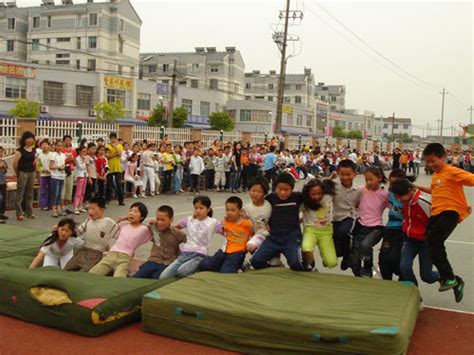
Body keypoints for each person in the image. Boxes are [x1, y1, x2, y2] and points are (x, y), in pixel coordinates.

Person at [417, 143, 474, 299]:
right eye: (427, 162)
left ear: (444, 157)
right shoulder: (436, 176)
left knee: (434, 240)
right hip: (436, 213)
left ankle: (448, 277)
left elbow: (472, 179)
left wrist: (463, 207)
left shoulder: (452, 171)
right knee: (429, 243)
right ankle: (454, 280)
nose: (430, 164)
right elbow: (435, 190)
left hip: (450, 213)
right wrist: (416, 187)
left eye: (433, 161)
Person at [390, 179, 441, 294]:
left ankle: (447, 276)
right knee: (404, 267)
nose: (398, 200)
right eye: (396, 197)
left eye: (399, 197)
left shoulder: (424, 203)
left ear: (408, 192)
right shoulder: (406, 201)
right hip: (409, 240)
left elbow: (439, 220)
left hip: (425, 243)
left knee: (427, 276)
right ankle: (415, 294)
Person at [251, 173, 306, 271]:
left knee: (296, 264)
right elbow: (259, 209)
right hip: (273, 238)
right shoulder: (270, 199)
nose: (283, 193)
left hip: (292, 238)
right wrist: (264, 224)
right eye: (280, 189)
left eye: (286, 190)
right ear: (275, 188)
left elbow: (312, 198)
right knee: (256, 261)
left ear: (292, 189)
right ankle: (275, 266)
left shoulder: (297, 197)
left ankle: (309, 264)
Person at [160, 196, 223, 279]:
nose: (198, 210)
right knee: (163, 277)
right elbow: (174, 228)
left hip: (199, 255)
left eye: (201, 208)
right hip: (185, 253)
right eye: (196, 208)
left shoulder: (213, 222)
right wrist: (159, 224)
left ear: (208, 209)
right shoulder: (189, 220)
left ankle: (202, 265)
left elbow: (225, 233)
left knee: (182, 272)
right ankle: (190, 269)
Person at [89, 202, 151, 277]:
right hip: (112, 254)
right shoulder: (123, 224)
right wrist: (123, 219)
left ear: (142, 217)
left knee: (119, 278)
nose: (131, 213)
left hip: (125, 257)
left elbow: (154, 229)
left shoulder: (143, 229)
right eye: (130, 211)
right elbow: (112, 229)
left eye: (135, 212)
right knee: (93, 273)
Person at [350, 167, 389, 277]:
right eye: (366, 179)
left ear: (379, 178)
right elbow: (353, 202)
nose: (368, 182)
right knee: (355, 260)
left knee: (366, 245)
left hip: (376, 227)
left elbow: (393, 207)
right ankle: (358, 275)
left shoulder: (384, 194)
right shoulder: (361, 190)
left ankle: (367, 266)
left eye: (371, 179)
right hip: (361, 225)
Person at [65, 197, 120, 272]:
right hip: (84, 251)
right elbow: (77, 232)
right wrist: (64, 229)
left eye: (93, 209)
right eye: (89, 208)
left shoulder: (108, 222)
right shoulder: (88, 221)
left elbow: (121, 237)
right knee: (68, 268)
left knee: (84, 272)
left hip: (98, 253)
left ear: (102, 210)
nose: (90, 211)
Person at [200, 196, 253, 273]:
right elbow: (219, 228)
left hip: (237, 252)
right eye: (227, 210)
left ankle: (242, 264)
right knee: (205, 265)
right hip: (224, 250)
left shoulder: (246, 223)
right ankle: (229, 264)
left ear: (240, 211)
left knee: (226, 272)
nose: (230, 213)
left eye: (233, 210)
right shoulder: (226, 221)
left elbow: (254, 234)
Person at [133, 205, 187, 279]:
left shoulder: (177, 233)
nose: (159, 222)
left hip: (168, 263)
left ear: (171, 219)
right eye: (157, 219)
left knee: (157, 279)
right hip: (153, 261)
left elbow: (190, 243)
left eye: (162, 220)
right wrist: (125, 218)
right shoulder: (152, 227)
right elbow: (136, 223)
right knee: (137, 277)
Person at [301, 179, 337, 271]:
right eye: (313, 194)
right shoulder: (304, 202)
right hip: (310, 230)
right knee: (306, 247)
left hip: (326, 231)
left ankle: (326, 259)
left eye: (319, 193)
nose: (317, 197)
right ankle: (311, 266)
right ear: (308, 193)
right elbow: (292, 212)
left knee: (331, 263)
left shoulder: (328, 196)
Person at [378, 169, 408, 281]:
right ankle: (387, 284)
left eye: (395, 184)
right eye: (391, 183)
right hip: (389, 229)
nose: (392, 187)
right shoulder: (389, 194)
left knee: (395, 259)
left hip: (402, 231)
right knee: (383, 259)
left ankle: (404, 280)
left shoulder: (409, 196)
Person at [331, 159, 361, 271]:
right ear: (338, 173)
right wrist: (330, 178)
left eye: (348, 174)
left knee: (343, 232)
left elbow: (359, 203)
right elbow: (322, 188)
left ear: (355, 174)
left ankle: (348, 255)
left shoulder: (358, 190)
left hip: (349, 217)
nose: (345, 177)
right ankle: (345, 254)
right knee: (336, 246)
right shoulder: (334, 186)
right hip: (334, 218)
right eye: (342, 174)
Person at [13, 131, 37, 221]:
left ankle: (29, 212)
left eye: (31, 138)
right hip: (23, 172)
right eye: (28, 138)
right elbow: (15, 164)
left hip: (31, 172)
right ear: (24, 139)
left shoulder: (33, 150)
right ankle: (19, 213)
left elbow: (34, 162)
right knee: (20, 194)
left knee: (29, 194)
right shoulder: (20, 150)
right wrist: (18, 174)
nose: (30, 140)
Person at [245, 177, 272, 255]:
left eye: (259, 192)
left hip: (267, 235)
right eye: (253, 191)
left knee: (275, 262)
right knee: (250, 246)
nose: (255, 194)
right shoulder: (246, 209)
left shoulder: (269, 205)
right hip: (255, 235)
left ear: (265, 193)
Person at [105, 132, 125, 206]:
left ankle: (121, 200)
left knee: (119, 184)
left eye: (114, 138)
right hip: (110, 167)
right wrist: (115, 154)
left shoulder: (119, 146)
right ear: (110, 138)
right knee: (109, 184)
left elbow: (119, 155)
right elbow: (107, 156)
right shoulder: (107, 146)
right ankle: (107, 199)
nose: (113, 140)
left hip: (117, 167)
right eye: (111, 138)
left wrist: (115, 147)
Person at [49, 140, 67, 218]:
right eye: (58, 146)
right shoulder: (53, 155)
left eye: (61, 146)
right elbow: (50, 166)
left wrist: (64, 168)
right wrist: (58, 167)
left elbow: (64, 164)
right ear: (55, 146)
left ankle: (59, 209)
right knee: (55, 194)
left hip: (62, 176)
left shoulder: (63, 155)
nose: (60, 147)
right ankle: (54, 210)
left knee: (60, 194)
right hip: (55, 176)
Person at [60, 135, 77, 215]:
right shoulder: (61, 150)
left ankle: (66, 207)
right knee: (63, 188)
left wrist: (72, 159)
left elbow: (75, 162)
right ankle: (62, 206)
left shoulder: (73, 151)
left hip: (71, 170)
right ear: (64, 141)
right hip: (63, 171)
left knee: (69, 188)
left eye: (69, 140)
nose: (68, 142)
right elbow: (60, 162)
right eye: (66, 140)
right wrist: (67, 160)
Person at [73, 146, 90, 215]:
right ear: (79, 152)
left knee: (83, 193)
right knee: (78, 193)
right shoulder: (77, 159)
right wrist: (84, 161)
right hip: (80, 176)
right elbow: (81, 167)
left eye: (85, 151)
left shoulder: (85, 158)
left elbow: (86, 168)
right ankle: (75, 207)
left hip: (85, 175)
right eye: (83, 151)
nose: (84, 153)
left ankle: (80, 206)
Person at [36, 139, 52, 211]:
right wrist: (43, 170)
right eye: (43, 145)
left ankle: (50, 204)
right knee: (43, 190)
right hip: (43, 175)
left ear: (49, 146)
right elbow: (38, 166)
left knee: (51, 190)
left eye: (46, 144)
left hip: (52, 175)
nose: (44, 146)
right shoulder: (39, 156)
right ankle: (43, 205)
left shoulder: (52, 155)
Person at [0, 146, 8, 224]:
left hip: (3, 182)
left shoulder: (3, 161)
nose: (0, 153)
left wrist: (4, 167)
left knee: (4, 199)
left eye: (1, 152)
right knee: (0, 198)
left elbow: (5, 171)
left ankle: (2, 213)